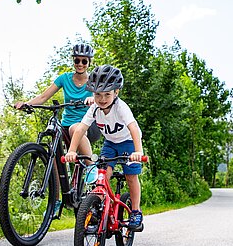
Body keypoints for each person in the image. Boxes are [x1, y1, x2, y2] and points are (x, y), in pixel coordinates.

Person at [15, 43, 98, 215]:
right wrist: (27, 104)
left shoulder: (93, 81)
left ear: (89, 62)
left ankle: (90, 165)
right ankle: (56, 200)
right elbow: (44, 96)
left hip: (87, 126)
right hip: (67, 123)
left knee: (76, 128)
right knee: (53, 154)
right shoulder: (64, 79)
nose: (80, 64)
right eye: (77, 60)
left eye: (84, 61)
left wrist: (93, 99)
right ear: (73, 61)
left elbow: (103, 97)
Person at [63, 64, 145, 231]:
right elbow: (80, 129)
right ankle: (99, 211)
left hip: (128, 143)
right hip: (110, 144)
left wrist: (138, 151)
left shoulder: (120, 107)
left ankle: (136, 211)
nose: (102, 99)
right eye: (98, 94)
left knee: (131, 176)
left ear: (116, 92)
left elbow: (133, 128)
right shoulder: (94, 109)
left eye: (107, 94)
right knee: (102, 176)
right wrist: (71, 150)